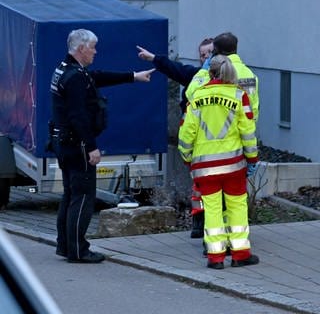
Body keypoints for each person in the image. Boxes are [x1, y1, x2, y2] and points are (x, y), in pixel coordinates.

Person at [49, 29, 155, 263]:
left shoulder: (65, 69)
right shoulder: (74, 76)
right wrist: (91, 147)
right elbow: (78, 116)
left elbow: (95, 77)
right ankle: (78, 250)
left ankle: (65, 246)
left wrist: (133, 76)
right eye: (93, 47)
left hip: (62, 141)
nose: (96, 51)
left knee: (71, 195)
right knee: (83, 197)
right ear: (81, 49)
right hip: (75, 144)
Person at [178, 54, 259, 269]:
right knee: (236, 207)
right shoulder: (239, 96)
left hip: (205, 168)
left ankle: (216, 258)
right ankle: (241, 254)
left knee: (212, 209)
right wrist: (252, 158)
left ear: (209, 73)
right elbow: (248, 132)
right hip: (234, 165)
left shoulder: (196, 98)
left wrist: (187, 158)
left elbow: (186, 134)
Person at [137, 38, 214, 239]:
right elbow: (175, 68)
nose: (205, 57)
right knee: (199, 186)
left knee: (210, 188)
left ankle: (209, 228)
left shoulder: (220, 78)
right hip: (200, 144)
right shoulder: (197, 76)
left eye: (209, 53)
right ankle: (199, 224)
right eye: (202, 54)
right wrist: (153, 58)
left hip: (212, 145)